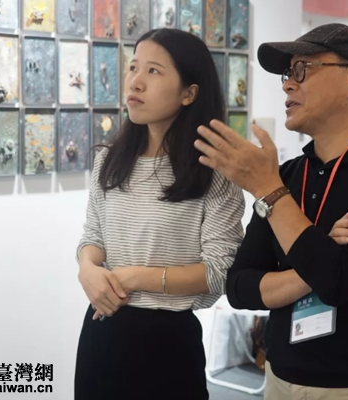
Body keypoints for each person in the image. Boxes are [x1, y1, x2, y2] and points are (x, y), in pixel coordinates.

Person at [194, 23, 348, 400]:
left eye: (302, 69)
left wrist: (270, 193)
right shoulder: (289, 175)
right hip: (280, 377)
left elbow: (339, 281)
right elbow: (239, 287)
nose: (288, 85)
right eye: (288, 74)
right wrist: (316, 260)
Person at [74, 28, 246, 400]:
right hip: (101, 333)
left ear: (189, 93)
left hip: (167, 344)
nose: (135, 81)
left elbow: (220, 271)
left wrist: (134, 277)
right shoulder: (109, 160)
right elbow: (93, 237)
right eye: (133, 67)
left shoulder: (213, 172)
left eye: (153, 71)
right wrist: (87, 268)